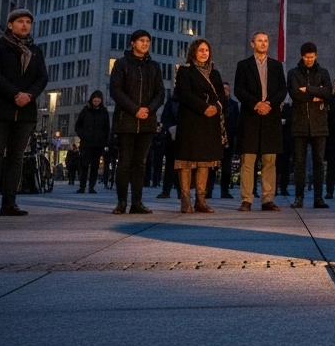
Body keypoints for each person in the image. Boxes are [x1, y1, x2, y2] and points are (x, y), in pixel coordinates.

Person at [0, 8, 47, 217]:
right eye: (20, 21)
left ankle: (9, 202)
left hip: (25, 112)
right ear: (10, 25)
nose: (25, 25)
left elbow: (42, 78)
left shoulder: (35, 51)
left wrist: (29, 96)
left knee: (16, 158)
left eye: (28, 22)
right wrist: (15, 93)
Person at [109, 29, 165, 215]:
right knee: (124, 162)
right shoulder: (121, 64)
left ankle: (137, 202)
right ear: (132, 43)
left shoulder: (154, 66)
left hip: (147, 121)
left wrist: (148, 110)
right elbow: (116, 91)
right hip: (126, 120)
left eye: (148, 41)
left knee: (141, 163)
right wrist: (135, 109)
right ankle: (122, 202)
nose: (145, 44)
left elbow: (160, 93)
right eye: (141, 40)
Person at [172, 38, 226, 213]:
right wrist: (203, 107)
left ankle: (201, 200)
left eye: (207, 50)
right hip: (190, 120)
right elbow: (184, 94)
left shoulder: (215, 73)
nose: (204, 53)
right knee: (186, 160)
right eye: (201, 50)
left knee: (205, 160)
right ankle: (185, 199)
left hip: (210, 122)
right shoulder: (185, 71)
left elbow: (221, 96)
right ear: (194, 52)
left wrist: (215, 108)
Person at [234, 31, 287, 212]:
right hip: (250, 116)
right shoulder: (243, 65)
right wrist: (256, 104)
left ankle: (267, 199)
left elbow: (282, 90)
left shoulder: (277, 66)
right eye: (259, 41)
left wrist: (269, 104)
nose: (263, 44)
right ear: (252, 44)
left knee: (269, 161)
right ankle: (247, 199)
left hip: (270, 117)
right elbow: (238, 90)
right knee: (248, 161)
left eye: (266, 41)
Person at [286, 42, 332, 209]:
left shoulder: (323, 72)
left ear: (316, 56)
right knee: (299, 162)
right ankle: (299, 197)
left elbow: (327, 92)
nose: (310, 60)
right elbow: (295, 94)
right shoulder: (293, 73)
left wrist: (309, 89)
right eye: (307, 57)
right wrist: (316, 92)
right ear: (302, 56)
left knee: (319, 161)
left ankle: (318, 197)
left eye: (312, 57)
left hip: (319, 124)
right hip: (299, 124)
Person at [74, 91, 110, 194]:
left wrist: (105, 142)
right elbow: (78, 126)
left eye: (99, 98)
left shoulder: (104, 112)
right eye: (95, 98)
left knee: (95, 166)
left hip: (98, 144)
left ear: (101, 100)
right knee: (84, 165)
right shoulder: (85, 110)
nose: (96, 100)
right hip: (86, 143)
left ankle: (91, 187)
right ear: (91, 99)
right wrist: (83, 135)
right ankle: (82, 186)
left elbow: (107, 128)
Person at [212, 82, 240, 199]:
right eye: (223, 88)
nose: (225, 90)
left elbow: (236, 121)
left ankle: (225, 190)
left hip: (229, 137)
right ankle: (209, 189)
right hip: (216, 137)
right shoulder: (215, 104)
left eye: (227, 88)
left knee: (227, 165)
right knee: (213, 164)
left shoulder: (234, 105)